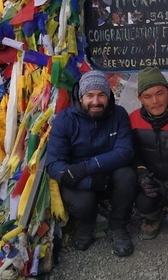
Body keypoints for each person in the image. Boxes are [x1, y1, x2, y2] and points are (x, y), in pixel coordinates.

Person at [46, 70, 136, 257]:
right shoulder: (65, 120)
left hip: (107, 175)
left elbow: (125, 151)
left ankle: (118, 225)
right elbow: (54, 163)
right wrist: (88, 181)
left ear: (108, 95)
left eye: (101, 95)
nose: (96, 101)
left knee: (127, 175)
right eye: (90, 95)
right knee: (83, 202)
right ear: (80, 97)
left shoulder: (118, 115)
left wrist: (87, 167)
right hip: (79, 179)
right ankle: (86, 223)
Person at [129, 67, 168, 239]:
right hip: (154, 179)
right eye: (147, 96)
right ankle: (153, 217)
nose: (155, 101)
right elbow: (131, 152)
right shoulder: (133, 119)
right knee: (144, 202)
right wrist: (141, 173)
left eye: (160, 93)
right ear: (140, 98)